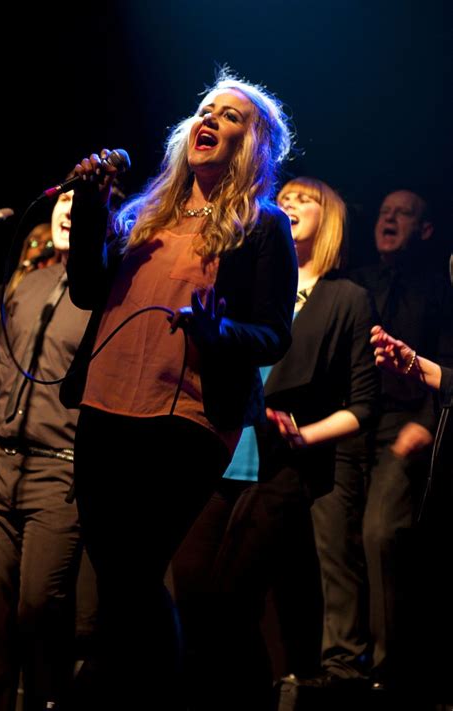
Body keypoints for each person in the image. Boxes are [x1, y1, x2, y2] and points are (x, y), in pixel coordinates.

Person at [61, 70, 298, 710]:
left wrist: (216, 330)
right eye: (204, 109)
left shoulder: (263, 226)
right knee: (119, 579)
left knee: (136, 574)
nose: (211, 119)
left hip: (188, 416)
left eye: (231, 115)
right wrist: (90, 205)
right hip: (104, 408)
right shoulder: (143, 215)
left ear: (252, 143)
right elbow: (87, 289)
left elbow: (274, 335)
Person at [171, 176, 378, 710]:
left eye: (303, 200)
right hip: (217, 445)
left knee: (238, 604)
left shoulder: (345, 298)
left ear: (328, 220)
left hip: (282, 465)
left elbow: (363, 405)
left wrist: (302, 432)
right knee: (191, 594)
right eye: (282, 197)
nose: (287, 204)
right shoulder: (248, 287)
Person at [303, 188, 453, 693]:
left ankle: (389, 670)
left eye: (403, 213)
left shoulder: (438, 289)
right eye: (384, 211)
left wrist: (428, 422)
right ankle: (341, 663)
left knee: (380, 533)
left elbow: (445, 364)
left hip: (403, 422)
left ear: (425, 229)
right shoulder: (352, 282)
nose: (389, 219)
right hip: (349, 421)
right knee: (333, 538)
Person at [0, 189, 91, 711]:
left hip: (60, 471)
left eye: (84, 200)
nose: (68, 207)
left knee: (38, 608)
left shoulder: (108, 293)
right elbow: (5, 368)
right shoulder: (29, 286)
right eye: (63, 198)